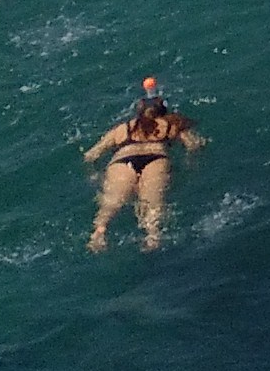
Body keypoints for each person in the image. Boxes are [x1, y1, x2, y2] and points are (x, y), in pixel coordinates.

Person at [86, 80, 202, 252]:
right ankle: (152, 236)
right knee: (153, 204)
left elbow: (91, 155)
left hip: (122, 161)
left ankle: (99, 232)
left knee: (111, 202)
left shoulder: (123, 128)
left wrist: (94, 173)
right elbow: (194, 145)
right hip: (156, 159)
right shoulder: (171, 124)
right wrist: (191, 160)